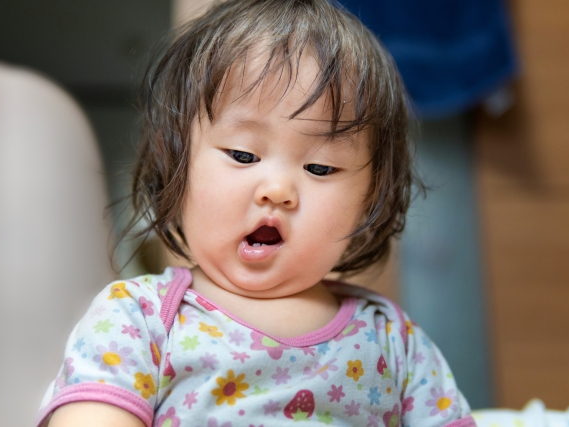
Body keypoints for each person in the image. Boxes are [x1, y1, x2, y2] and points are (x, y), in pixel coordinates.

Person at [37, 1, 476, 426]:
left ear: (370, 201)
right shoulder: (138, 319)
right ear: (176, 166)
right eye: (243, 155)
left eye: (320, 168)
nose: (278, 191)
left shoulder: (393, 340)